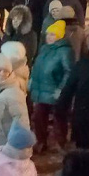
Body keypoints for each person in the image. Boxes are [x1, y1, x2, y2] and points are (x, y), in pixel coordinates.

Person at [28, 20, 73, 153]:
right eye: (48, 34)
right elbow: (37, 67)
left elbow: (69, 71)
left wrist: (61, 89)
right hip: (41, 90)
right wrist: (32, 80)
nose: (49, 37)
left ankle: (60, 143)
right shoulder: (44, 48)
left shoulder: (65, 51)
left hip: (54, 91)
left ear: (59, 36)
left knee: (59, 119)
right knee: (39, 118)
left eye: (53, 35)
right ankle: (41, 142)